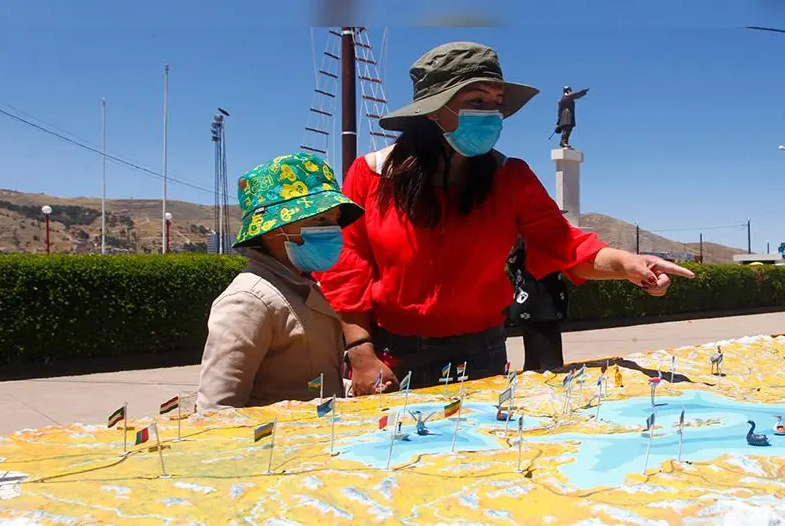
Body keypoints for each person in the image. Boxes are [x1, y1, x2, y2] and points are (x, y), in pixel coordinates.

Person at [314, 41, 695, 395]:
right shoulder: (373, 174)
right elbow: (347, 267)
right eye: (476, 101)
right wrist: (361, 353)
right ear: (433, 110)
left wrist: (630, 264)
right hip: (391, 357)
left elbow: (567, 245)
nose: (492, 115)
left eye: (496, 104)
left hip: (483, 355)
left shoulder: (510, 177)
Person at [196, 152, 363, 412]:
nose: (332, 230)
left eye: (333, 220)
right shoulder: (248, 301)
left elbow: (300, 382)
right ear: (275, 228)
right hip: (277, 449)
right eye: (319, 220)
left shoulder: (301, 285)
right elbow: (217, 409)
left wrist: (352, 387)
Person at [507, 236, 567, 372]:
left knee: (536, 367)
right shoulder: (537, 243)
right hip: (541, 308)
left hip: (533, 307)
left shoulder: (520, 249)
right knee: (549, 370)